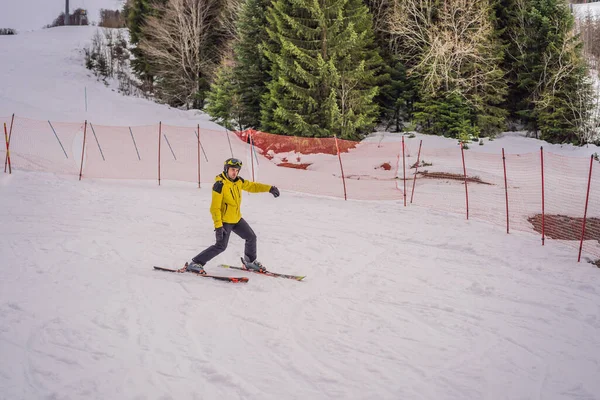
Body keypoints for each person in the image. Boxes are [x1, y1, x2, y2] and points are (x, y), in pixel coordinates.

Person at [187, 158, 280, 274]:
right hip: (225, 221)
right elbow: (214, 208)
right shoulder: (220, 185)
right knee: (220, 246)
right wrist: (218, 226)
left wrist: (269, 188)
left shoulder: (238, 181)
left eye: (236, 170)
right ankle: (196, 263)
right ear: (226, 169)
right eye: (232, 170)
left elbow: (253, 186)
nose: (234, 172)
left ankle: (250, 262)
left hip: (236, 219)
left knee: (251, 237)